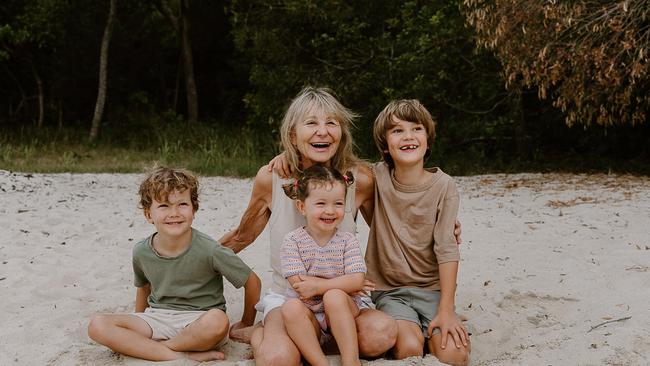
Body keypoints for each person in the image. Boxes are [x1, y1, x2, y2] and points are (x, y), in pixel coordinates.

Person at [219, 86, 398, 366]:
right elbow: (243, 235)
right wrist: (193, 254)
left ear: (342, 132)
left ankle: (318, 341)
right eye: (311, 123)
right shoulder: (272, 178)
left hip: (344, 300)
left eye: (331, 123)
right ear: (292, 134)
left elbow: (386, 231)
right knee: (278, 360)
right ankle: (260, 333)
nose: (323, 131)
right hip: (293, 300)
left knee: (381, 336)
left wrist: (440, 228)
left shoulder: (358, 178)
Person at [88, 166, 261, 362]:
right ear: (148, 214)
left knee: (218, 321)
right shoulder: (141, 251)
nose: (174, 213)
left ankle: (155, 349)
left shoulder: (210, 249)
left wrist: (246, 323)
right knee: (98, 325)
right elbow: (144, 288)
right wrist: (138, 321)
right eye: (163, 206)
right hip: (158, 318)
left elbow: (252, 281)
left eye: (182, 204)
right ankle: (181, 354)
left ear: (193, 209)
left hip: (200, 321)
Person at [366, 99, 470, 365]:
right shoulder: (375, 177)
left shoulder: (444, 186)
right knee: (408, 349)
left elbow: (447, 248)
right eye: (397, 130)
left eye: (416, 129)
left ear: (427, 138)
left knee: (455, 356)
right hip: (390, 291)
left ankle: (431, 326)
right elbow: (335, 167)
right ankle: (414, 330)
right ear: (385, 144)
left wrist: (446, 309)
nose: (408, 136)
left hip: (432, 290)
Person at [281, 165, 366, 366]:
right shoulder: (292, 241)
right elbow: (298, 284)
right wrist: (344, 282)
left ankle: (350, 361)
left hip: (343, 308)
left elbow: (357, 280)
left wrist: (320, 287)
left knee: (334, 296)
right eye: (320, 203)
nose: (330, 211)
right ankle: (320, 363)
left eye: (338, 203)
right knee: (290, 307)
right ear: (302, 207)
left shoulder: (347, 240)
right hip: (307, 311)